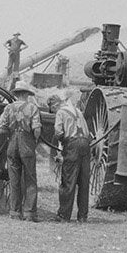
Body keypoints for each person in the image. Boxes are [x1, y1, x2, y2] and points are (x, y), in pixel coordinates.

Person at [0, 80, 41, 221]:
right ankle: (29, 213)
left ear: (17, 94)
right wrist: (35, 140)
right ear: (26, 94)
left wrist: (11, 133)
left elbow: (0, 128)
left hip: (12, 143)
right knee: (30, 179)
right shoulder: (32, 108)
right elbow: (37, 129)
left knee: (14, 179)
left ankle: (14, 212)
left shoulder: (8, 108)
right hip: (27, 143)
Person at [50, 91, 92, 223]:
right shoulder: (78, 111)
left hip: (72, 145)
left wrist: (60, 148)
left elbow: (58, 132)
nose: (53, 112)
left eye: (52, 110)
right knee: (83, 182)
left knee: (68, 180)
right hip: (85, 144)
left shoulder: (60, 113)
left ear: (55, 105)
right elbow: (87, 132)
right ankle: (82, 216)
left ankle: (63, 215)